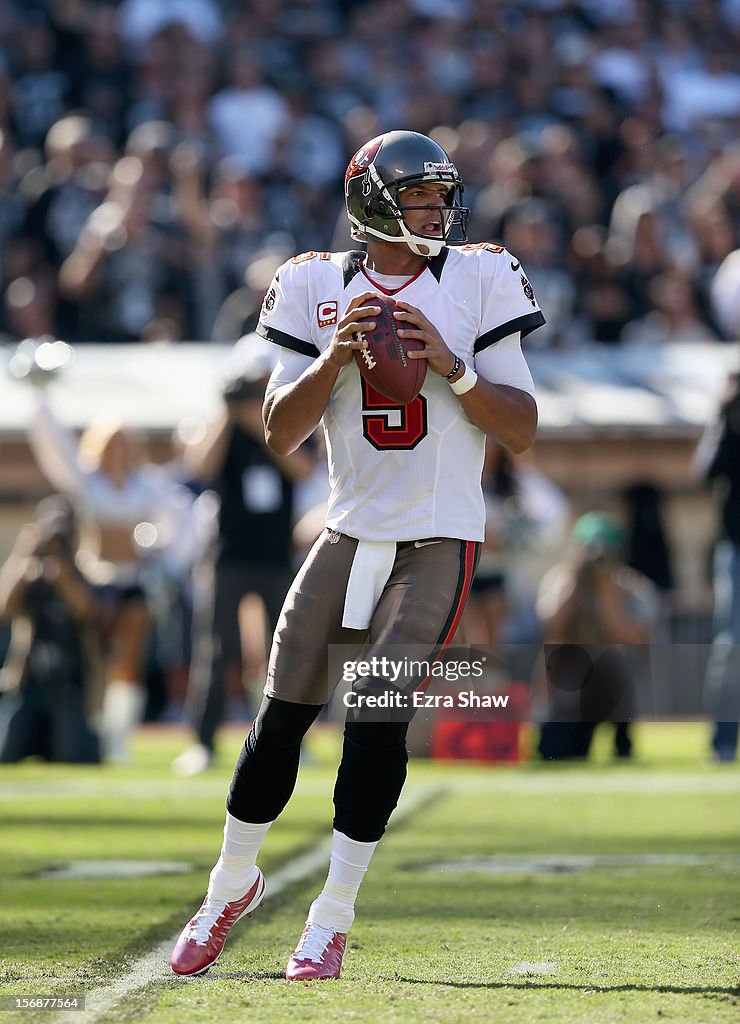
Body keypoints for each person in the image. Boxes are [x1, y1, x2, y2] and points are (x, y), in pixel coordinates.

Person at [169, 129, 543, 981]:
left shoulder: (481, 275)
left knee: (375, 721)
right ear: (373, 201)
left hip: (438, 537)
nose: (438, 211)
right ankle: (230, 884)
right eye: (419, 196)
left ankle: (331, 915)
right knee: (281, 716)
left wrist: (451, 368)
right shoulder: (312, 283)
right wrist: (335, 357)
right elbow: (277, 429)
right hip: (347, 529)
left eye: (442, 195)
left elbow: (521, 429)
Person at [172, 336, 314, 777]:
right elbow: (198, 468)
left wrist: (259, 420)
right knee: (215, 650)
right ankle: (203, 742)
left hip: (275, 554)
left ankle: (287, 739)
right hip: (228, 555)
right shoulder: (224, 425)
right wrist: (227, 412)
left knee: (283, 651)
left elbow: (304, 467)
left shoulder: (286, 419)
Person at [29, 390, 193, 761]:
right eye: (112, 441)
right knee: (94, 658)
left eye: (124, 441)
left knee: (129, 661)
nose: (118, 448)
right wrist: (41, 399)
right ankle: (95, 732)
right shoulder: (89, 483)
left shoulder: (144, 485)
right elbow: (56, 447)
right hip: (95, 583)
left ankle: (120, 737)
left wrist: (161, 551)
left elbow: (181, 519)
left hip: (134, 582)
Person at [535, 511, 658, 760]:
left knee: (615, 656)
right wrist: (575, 582)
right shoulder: (561, 580)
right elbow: (551, 625)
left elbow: (633, 637)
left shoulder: (633, 586)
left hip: (614, 688)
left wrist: (606, 592)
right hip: (573, 688)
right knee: (556, 749)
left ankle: (622, 736)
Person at [0, 497, 101, 763]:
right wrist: (22, 555)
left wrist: (63, 574)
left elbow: (87, 610)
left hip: (69, 687)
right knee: (5, 753)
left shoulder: (84, 571)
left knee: (74, 756)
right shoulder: (27, 573)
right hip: (27, 685)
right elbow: (3, 608)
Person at [694, 368, 740, 761]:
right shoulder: (728, 424)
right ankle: (724, 741)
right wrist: (726, 416)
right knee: (731, 646)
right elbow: (704, 472)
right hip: (736, 548)